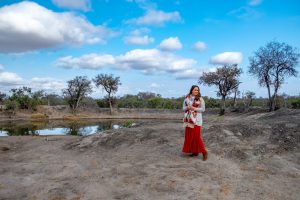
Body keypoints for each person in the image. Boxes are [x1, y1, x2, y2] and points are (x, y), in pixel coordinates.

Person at [182, 85, 208, 160]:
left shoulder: (200, 99)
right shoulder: (187, 98)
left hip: (197, 120)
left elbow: (203, 109)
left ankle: (204, 152)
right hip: (189, 120)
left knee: (196, 137)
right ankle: (195, 151)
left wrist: (194, 108)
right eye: (195, 90)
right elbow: (183, 108)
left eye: (197, 90)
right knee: (190, 137)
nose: (196, 91)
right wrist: (187, 107)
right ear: (191, 90)